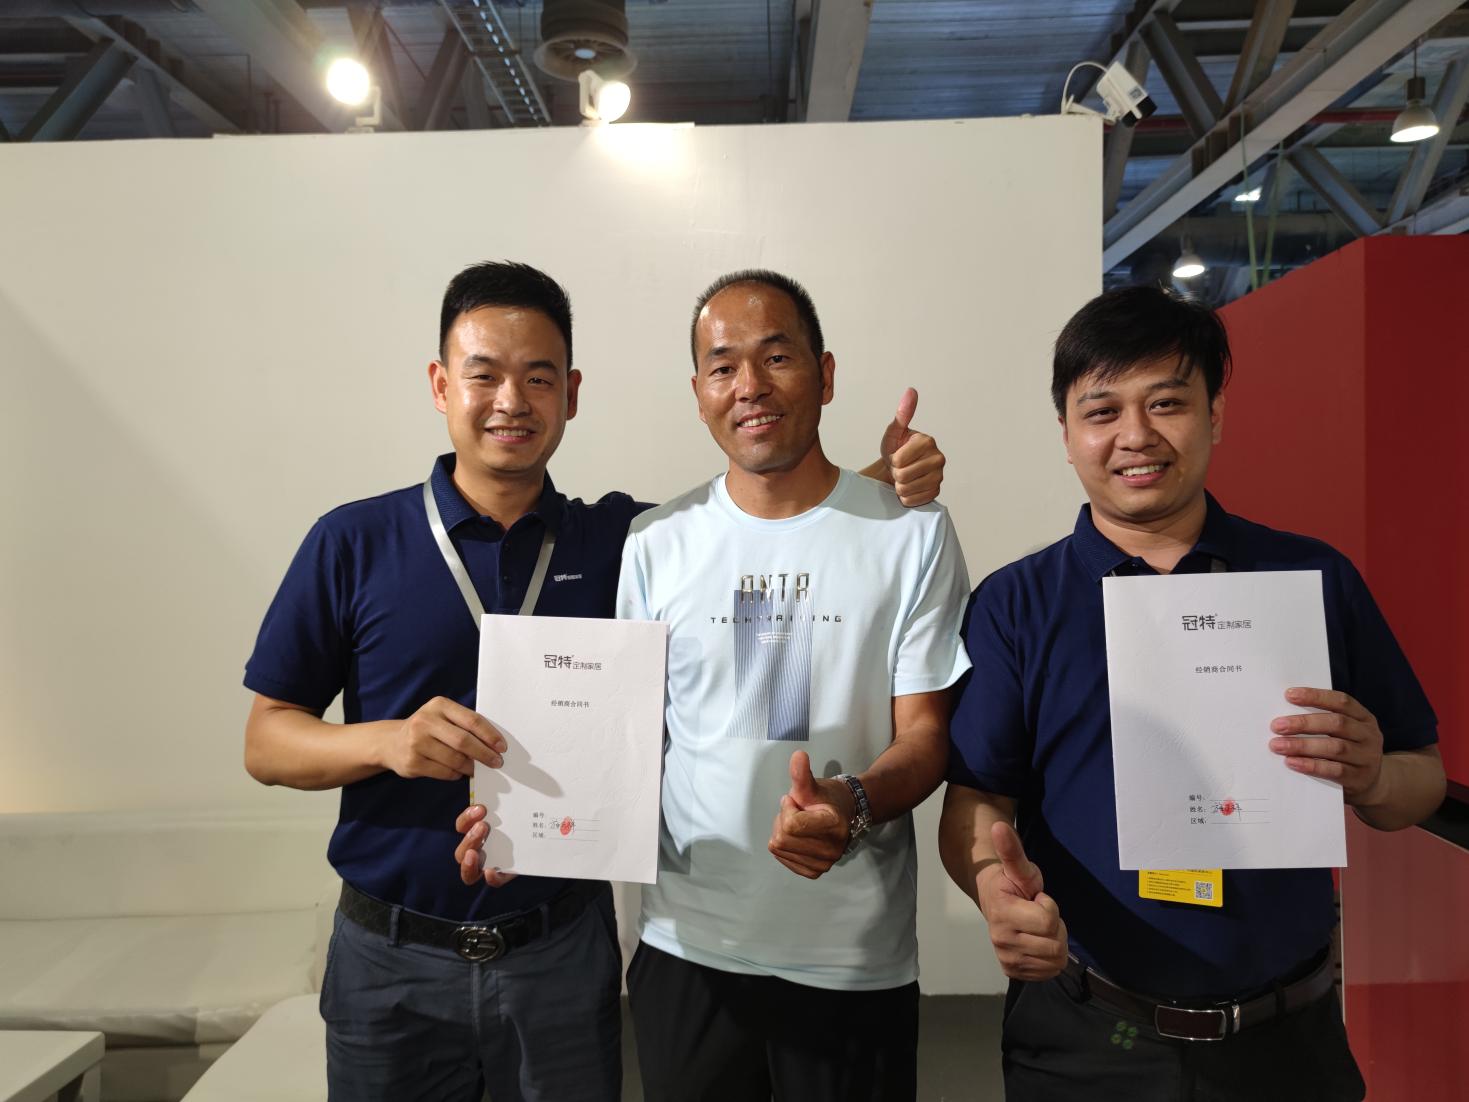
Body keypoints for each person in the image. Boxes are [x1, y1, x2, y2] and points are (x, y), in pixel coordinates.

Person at [243, 260, 947, 1102]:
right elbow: (266, 742)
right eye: (484, 375)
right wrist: (388, 742)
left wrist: (878, 489)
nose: (511, 400)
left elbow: (765, 524)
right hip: (390, 957)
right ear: (440, 385)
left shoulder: (620, 539)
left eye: (538, 377)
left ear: (570, 394)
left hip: (559, 950)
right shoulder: (353, 542)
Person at [938, 285, 1445, 1102]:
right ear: (1065, 435)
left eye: (1167, 403)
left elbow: (1418, 778)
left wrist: (1375, 776)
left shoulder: (1310, 578)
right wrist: (993, 888)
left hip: (1287, 1041)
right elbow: (976, 797)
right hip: (1090, 1037)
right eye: (1101, 411)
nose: (1135, 435)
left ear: (1214, 416)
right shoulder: (1015, 603)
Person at [612, 270, 971, 1101]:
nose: (749, 385)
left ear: (825, 374)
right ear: (698, 393)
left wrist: (852, 802)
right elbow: (627, 744)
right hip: (685, 949)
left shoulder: (910, 533)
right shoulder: (654, 543)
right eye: (722, 366)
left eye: (776, 357)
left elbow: (924, 735)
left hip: (850, 956)